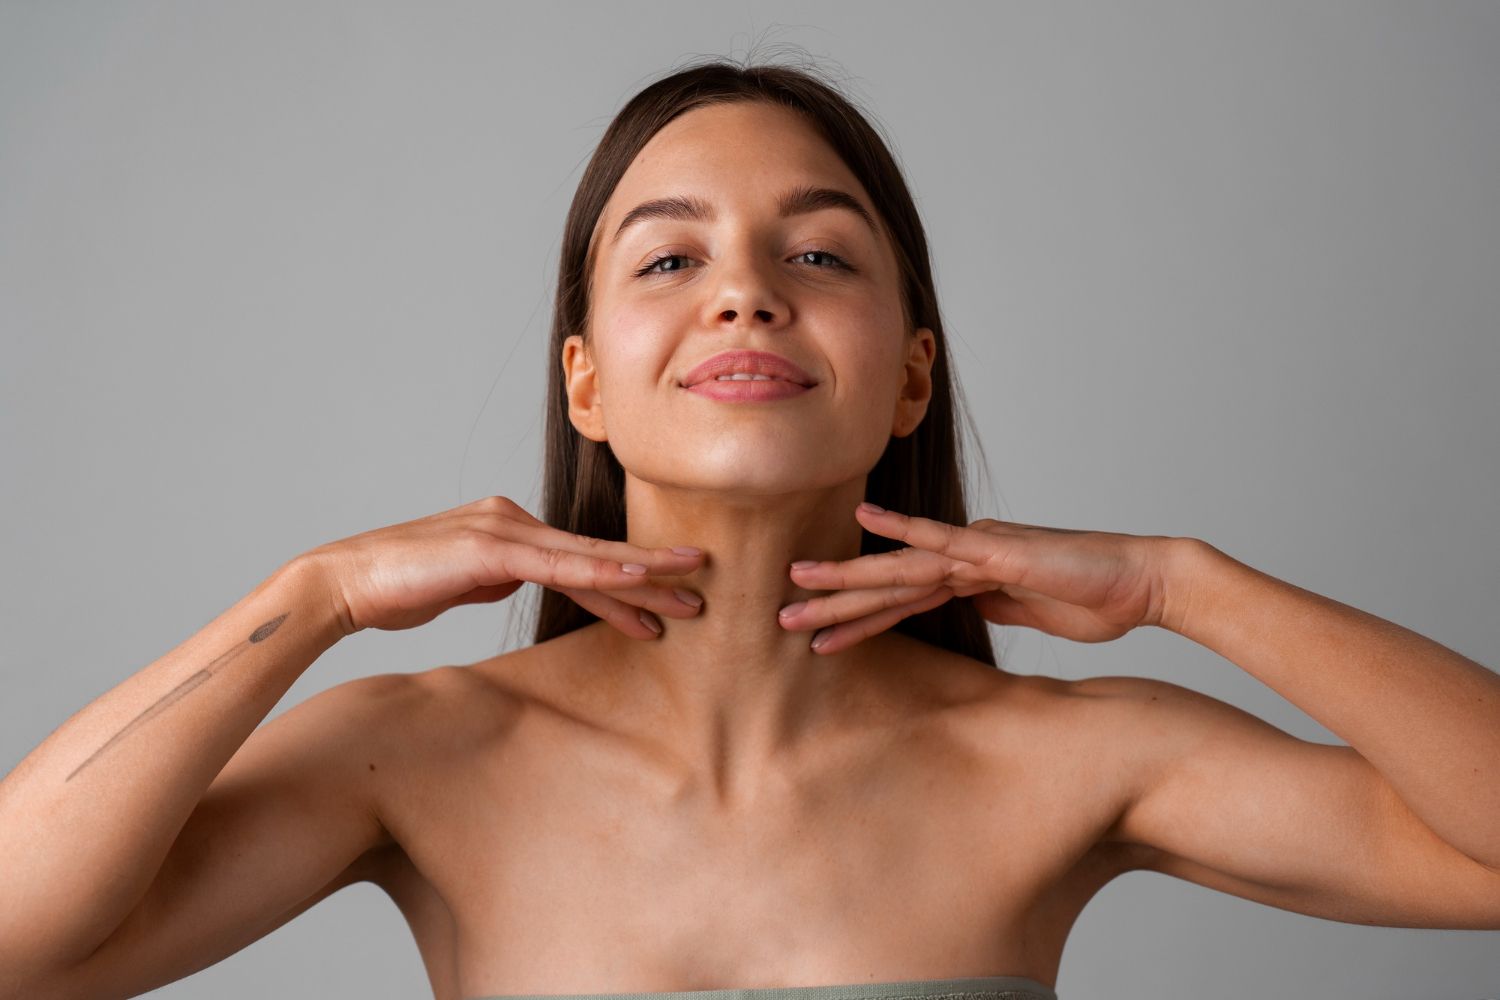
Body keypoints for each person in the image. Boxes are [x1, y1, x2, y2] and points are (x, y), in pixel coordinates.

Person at [4, 57, 1499, 1000]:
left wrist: (1187, 585)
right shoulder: (425, 756)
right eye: (669, 257)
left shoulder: (1065, 761)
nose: (744, 291)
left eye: (816, 250)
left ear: (910, 371)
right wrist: (313, 595)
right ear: (581, 382)